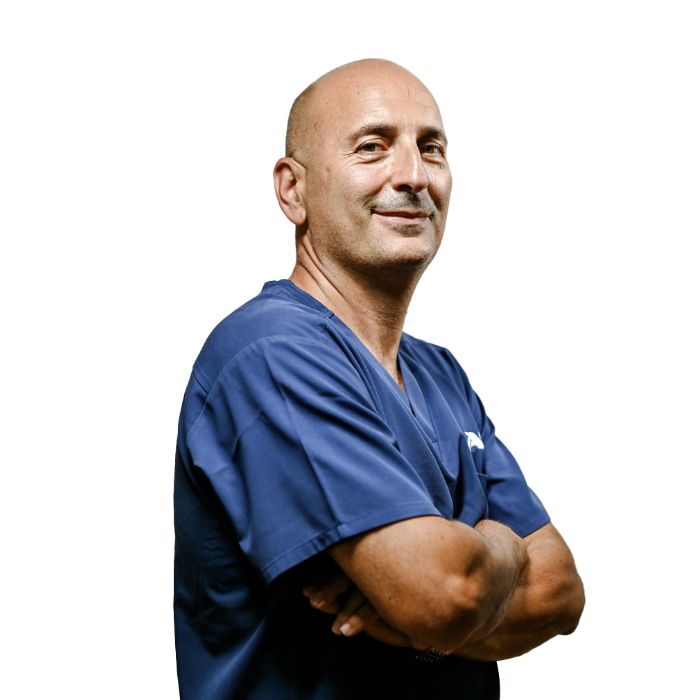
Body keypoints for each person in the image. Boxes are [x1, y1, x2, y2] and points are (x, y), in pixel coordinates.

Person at [173, 57, 585, 699]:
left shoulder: (442, 375)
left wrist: (427, 615)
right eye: (372, 147)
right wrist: (503, 547)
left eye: (431, 148)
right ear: (292, 191)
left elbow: (560, 593)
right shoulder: (271, 356)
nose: (414, 176)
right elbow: (443, 594)